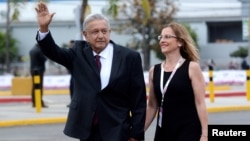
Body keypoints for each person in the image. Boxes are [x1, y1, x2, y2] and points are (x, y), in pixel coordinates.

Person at [35, 2, 146, 141]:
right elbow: (53, 51)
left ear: (109, 32)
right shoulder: (78, 53)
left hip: (118, 130)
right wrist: (44, 28)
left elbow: (138, 100)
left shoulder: (129, 57)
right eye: (95, 32)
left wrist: (136, 135)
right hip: (87, 130)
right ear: (85, 35)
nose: (100, 36)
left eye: (104, 31)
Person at [144, 22, 208, 141]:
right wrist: (138, 133)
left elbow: (200, 103)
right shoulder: (154, 70)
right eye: (161, 37)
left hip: (188, 132)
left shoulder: (192, 68)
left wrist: (205, 134)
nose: (162, 40)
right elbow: (152, 105)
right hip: (163, 133)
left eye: (167, 37)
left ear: (180, 42)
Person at [29, 43, 48, 108]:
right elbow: (44, 59)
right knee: (39, 87)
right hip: (39, 71)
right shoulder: (39, 50)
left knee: (34, 87)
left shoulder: (32, 50)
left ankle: (34, 102)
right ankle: (39, 102)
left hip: (33, 70)